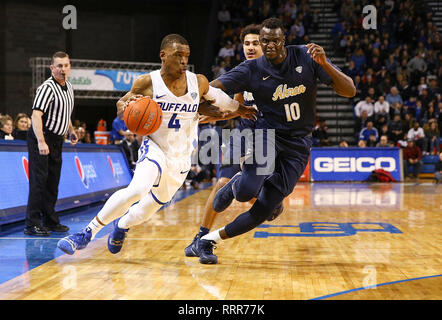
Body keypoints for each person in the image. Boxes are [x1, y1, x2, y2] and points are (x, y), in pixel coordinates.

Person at [57, 34, 256, 255]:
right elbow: (122, 104)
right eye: (178, 55)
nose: (183, 61)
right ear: (163, 55)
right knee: (137, 189)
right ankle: (86, 233)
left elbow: (220, 98)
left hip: (180, 158)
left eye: (186, 56)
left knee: (146, 211)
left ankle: (122, 225)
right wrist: (125, 107)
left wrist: (240, 109)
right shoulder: (148, 82)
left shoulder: (197, 82)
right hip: (155, 147)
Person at [193, 18, 355, 264]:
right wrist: (200, 105)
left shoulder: (307, 56)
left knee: (265, 210)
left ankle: (209, 240)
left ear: (284, 41)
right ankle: (237, 184)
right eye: (264, 41)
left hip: (299, 143)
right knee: (247, 192)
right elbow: (211, 88)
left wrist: (326, 65)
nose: (269, 45)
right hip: (267, 135)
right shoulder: (251, 69)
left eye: (274, 40)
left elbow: (349, 90)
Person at [184, 24, 267, 257]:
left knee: (256, 199)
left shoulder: (276, 73)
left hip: (265, 141)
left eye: (255, 43)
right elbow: (239, 108)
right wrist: (207, 117)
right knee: (220, 183)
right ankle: (201, 239)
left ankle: (264, 201)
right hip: (242, 135)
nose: (251, 47)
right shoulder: (243, 72)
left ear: (266, 45)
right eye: (247, 44)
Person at [24, 51, 78, 236]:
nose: (63, 69)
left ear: (70, 66)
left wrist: (70, 131)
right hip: (42, 137)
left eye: (66, 65)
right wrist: (41, 141)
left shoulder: (69, 87)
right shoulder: (46, 88)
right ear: (52, 68)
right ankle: (32, 224)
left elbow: (66, 113)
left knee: (53, 181)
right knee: (39, 181)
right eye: (59, 66)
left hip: (57, 139)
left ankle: (50, 220)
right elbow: (36, 115)